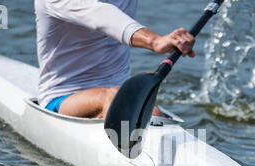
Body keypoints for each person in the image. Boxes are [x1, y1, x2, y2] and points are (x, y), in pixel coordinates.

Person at [35, 0, 196, 118]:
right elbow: (100, 15)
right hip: (63, 97)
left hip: (121, 89)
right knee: (116, 98)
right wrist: (154, 40)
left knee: (153, 113)